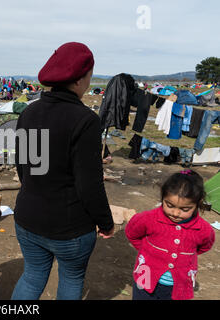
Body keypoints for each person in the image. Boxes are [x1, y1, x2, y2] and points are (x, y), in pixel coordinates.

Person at [11, 42, 114, 300]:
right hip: (70, 228)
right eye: (90, 75)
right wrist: (105, 222)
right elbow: (89, 184)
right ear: (80, 80)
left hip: (27, 217)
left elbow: (23, 167)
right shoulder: (85, 120)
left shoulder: (29, 112)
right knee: (71, 279)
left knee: (32, 276)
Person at [125, 170, 215, 300]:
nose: (176, 213)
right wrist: (146, 250)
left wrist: (185, 255)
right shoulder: (148, 219)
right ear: (163, 197)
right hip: (145, 280)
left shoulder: (203, 230)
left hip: (179, 287)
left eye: (185, 209)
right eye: (169, 205)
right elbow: (132, 233)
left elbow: (204, 246)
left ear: (198, 203)